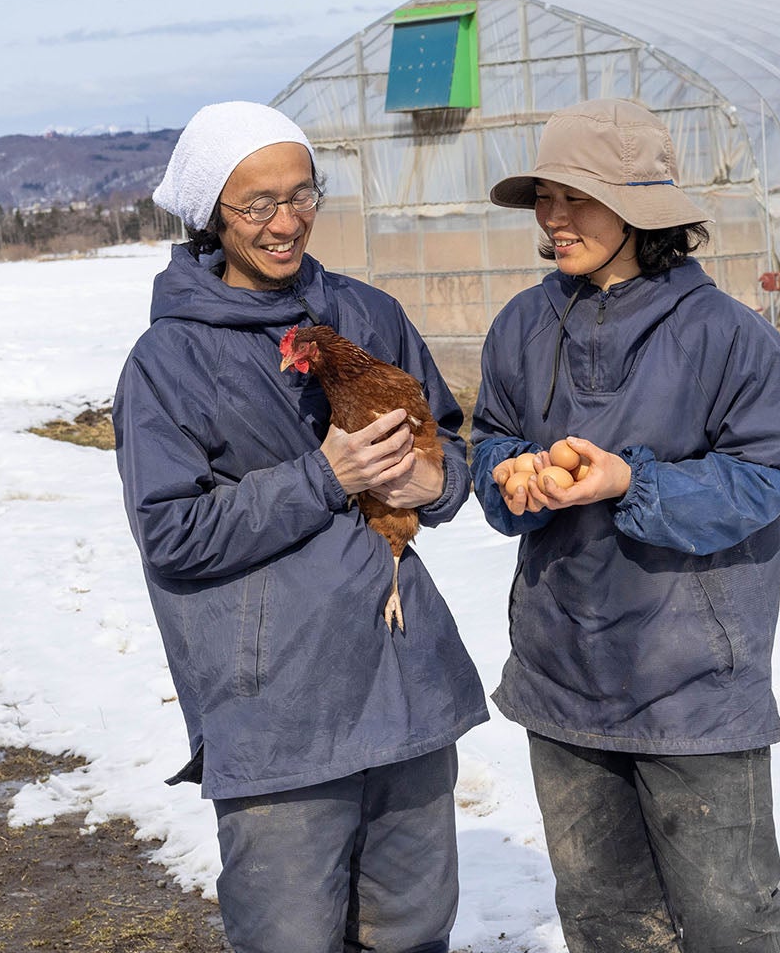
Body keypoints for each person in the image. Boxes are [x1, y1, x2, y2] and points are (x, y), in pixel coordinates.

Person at [114, 100, 488, 953]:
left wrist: (437, 480)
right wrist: (325, 477)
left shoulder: (370, 314)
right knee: (291, 937)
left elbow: (451, 442)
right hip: (280, 706)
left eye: (303, 194)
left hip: (405, 682)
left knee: (412, 930)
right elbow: (172, 535)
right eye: (257, 205)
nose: (287, 222)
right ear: (212, 212)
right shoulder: (167, 365)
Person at [469, 98, 780, 953]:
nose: (552, 218)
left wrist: (632, 480)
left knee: (733, 919)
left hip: (690, 679)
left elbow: (763, 479)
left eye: (575, 198)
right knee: (606, 920)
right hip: (562, 670)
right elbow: (491, 439)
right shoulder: (522, 325)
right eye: (545, 197)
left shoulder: (730, 337)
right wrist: (506, 472)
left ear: (639, 212)